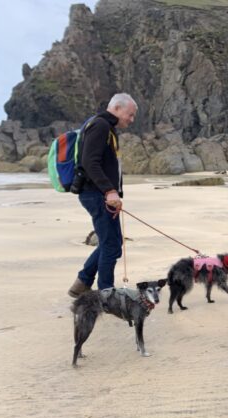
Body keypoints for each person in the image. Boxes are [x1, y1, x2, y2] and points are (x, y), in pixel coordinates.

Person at [68, 93, 138, 298]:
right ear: (116, 108)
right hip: (96, 195)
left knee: (114, 243)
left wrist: (112, 192)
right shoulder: (100, 126)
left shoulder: (107, 128)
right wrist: (109, 191)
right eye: (130, 114)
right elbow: (91, 163)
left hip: (100, 195)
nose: (131, 120)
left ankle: (82, 283)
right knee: (110, 244)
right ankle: (106, 294)